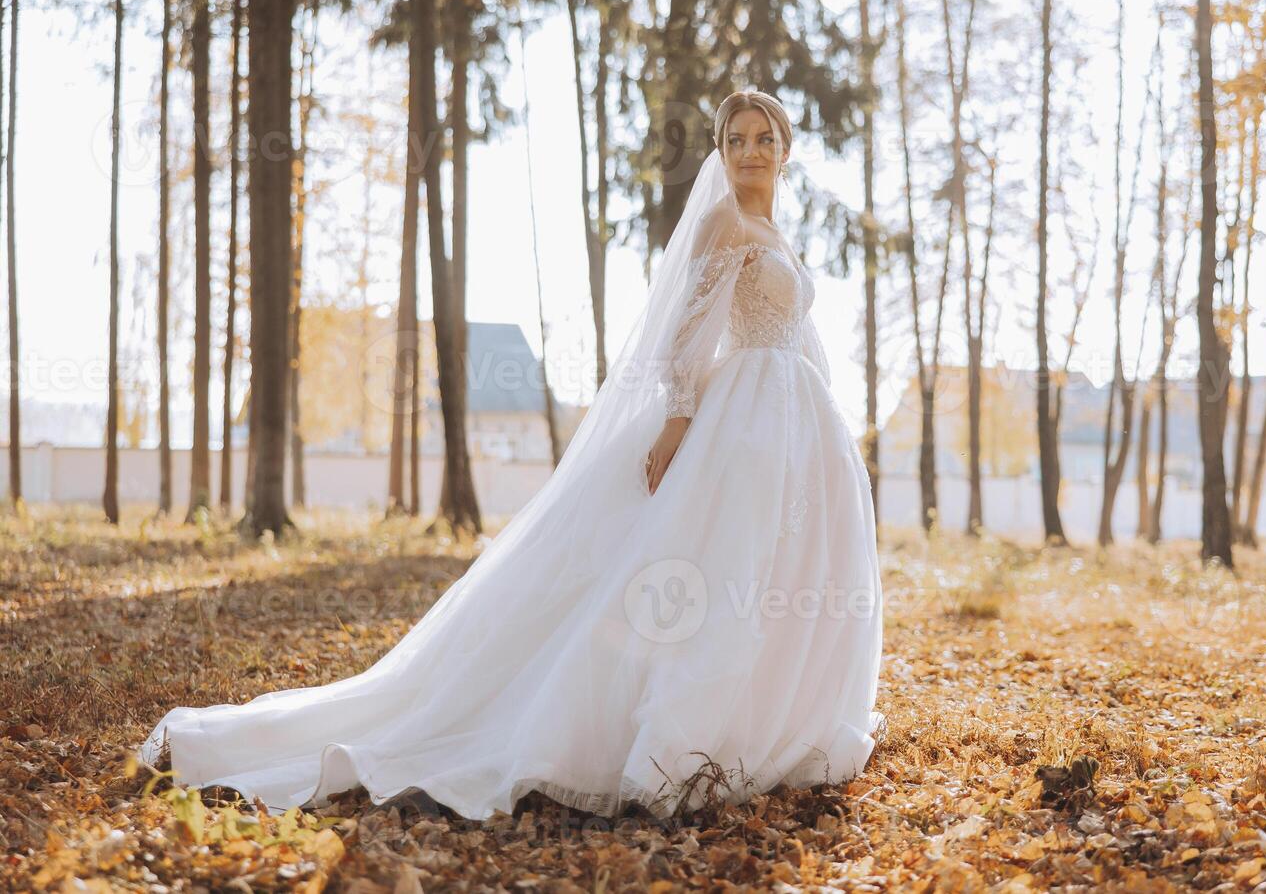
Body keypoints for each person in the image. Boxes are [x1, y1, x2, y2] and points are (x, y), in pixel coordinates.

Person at [138, 89, 884, 820]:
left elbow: (795, 331)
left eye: (763, 139)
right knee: (717, 569)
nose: (750, 151)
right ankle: (674, 739)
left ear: (785, 150)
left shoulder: (774, 231)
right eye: (735, 140)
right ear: (721, 155)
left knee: (772, 570)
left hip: (786, 417)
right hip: (740, 414)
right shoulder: (725, 223)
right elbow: (687, 332)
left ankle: (770, 723)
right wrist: (677, 422)